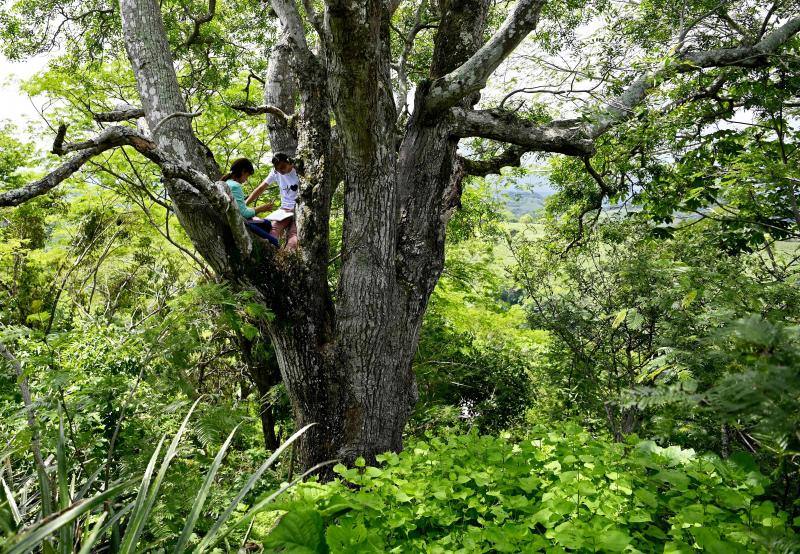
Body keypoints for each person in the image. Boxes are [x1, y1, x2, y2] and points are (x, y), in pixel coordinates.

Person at [222, 158, 279, 247]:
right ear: (243, 171)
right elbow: (243, 213)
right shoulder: (235, 186)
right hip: (239, 223)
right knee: (275, 242)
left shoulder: (225, 182)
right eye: (247, 175)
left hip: (230, 221)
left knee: (267, 223)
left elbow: (238, 207)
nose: (246, 180)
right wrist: (260, 209)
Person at [248, 153, 299, 250]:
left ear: (289, 162)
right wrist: (245, 203)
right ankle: (271, 254)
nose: (281, 171)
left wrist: (294, 210)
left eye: (283, 167)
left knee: (293, 235)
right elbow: (261, 188)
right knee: (273, 229)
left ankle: (289, 259)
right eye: (278, 169)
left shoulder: (299, 170)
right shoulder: (275, 172)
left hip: (299, 209)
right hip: (284, 210)